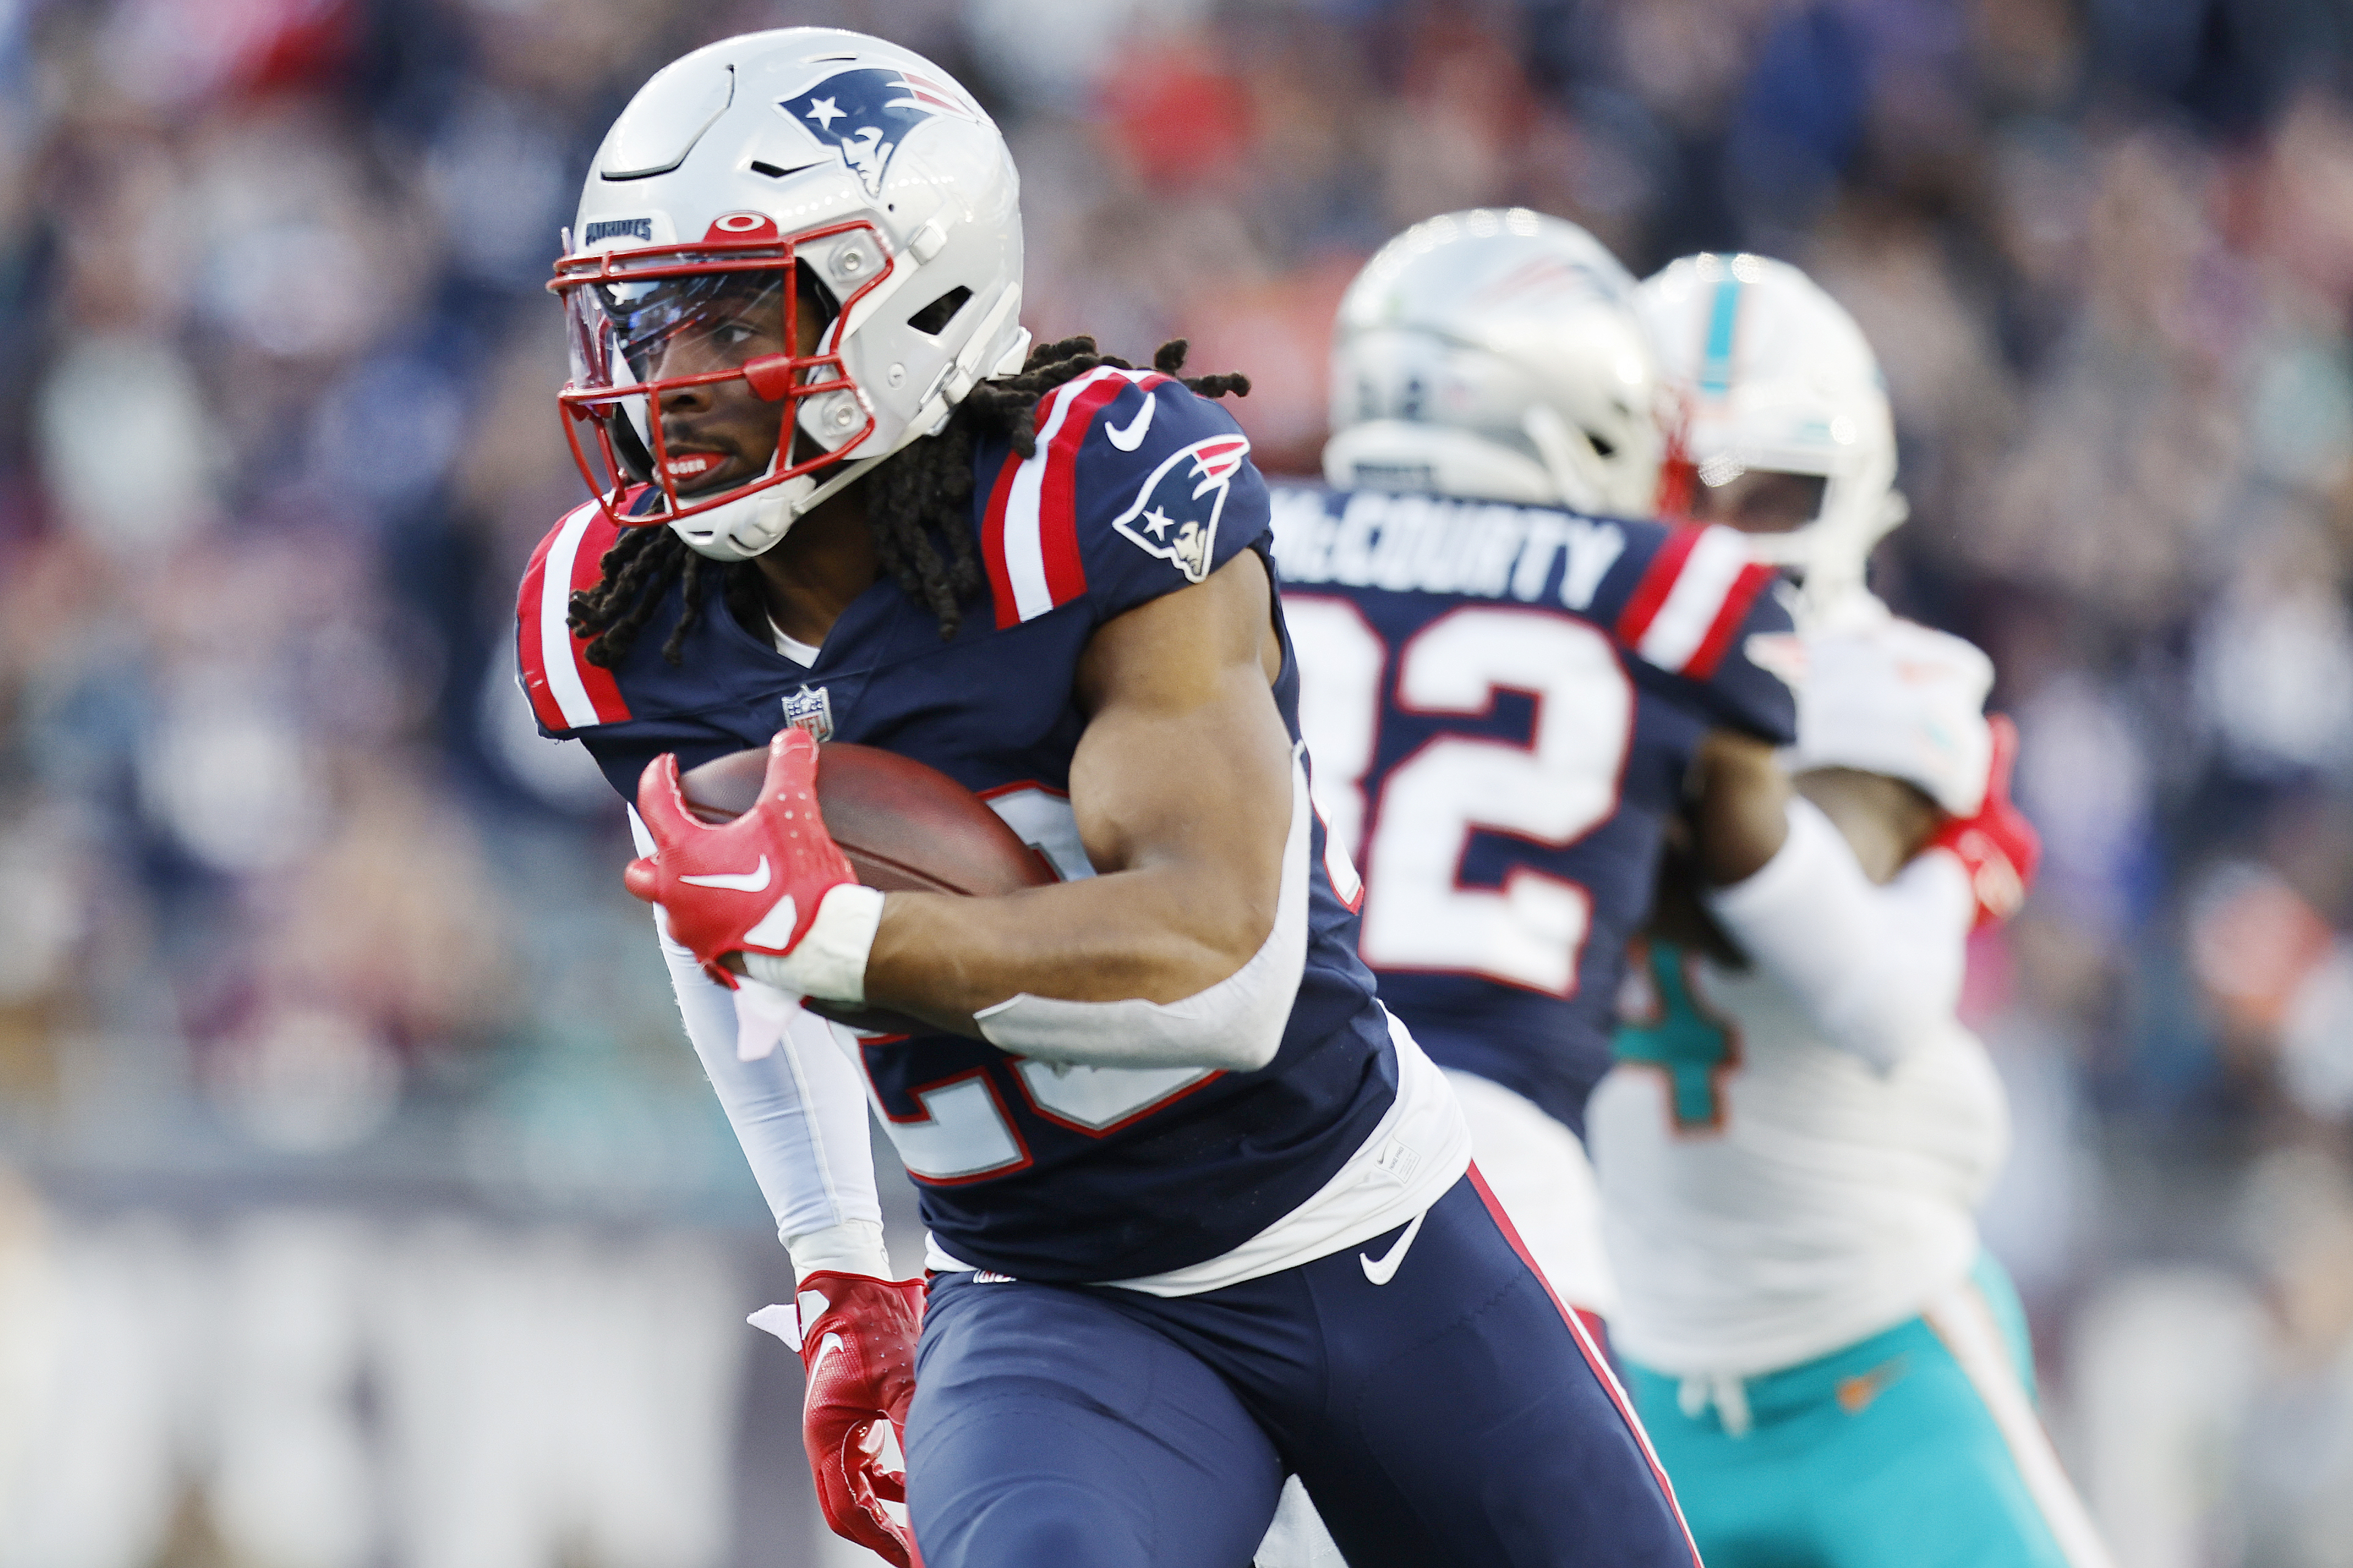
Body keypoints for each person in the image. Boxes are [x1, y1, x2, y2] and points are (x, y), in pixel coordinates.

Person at [518, 29, 1695, 1568]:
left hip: (1364, 1227)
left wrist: (859, 942)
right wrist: (835, 1262)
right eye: (644, 318)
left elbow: (1225, 967)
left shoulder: (1094, 493)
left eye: (731, 312)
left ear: (910, 297)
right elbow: (717, 908)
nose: (668, 381)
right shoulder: (620, 606)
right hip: (1052, 1291)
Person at [1262, 209, 1811, 1567]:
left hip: (1229, 1135)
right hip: (1494, 1172)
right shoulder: (1672, 591)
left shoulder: (1235, 537)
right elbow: (1750, 859)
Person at [1578, 251, 2109, 1568]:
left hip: (1880, 1358)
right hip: (1641, 1365)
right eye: (1677, 487)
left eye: (1766, 492)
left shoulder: (1893, 681)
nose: (1714, 530)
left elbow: (1876, 1002)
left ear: (1853, 488)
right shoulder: (1542, 679)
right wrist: (1951, 866)